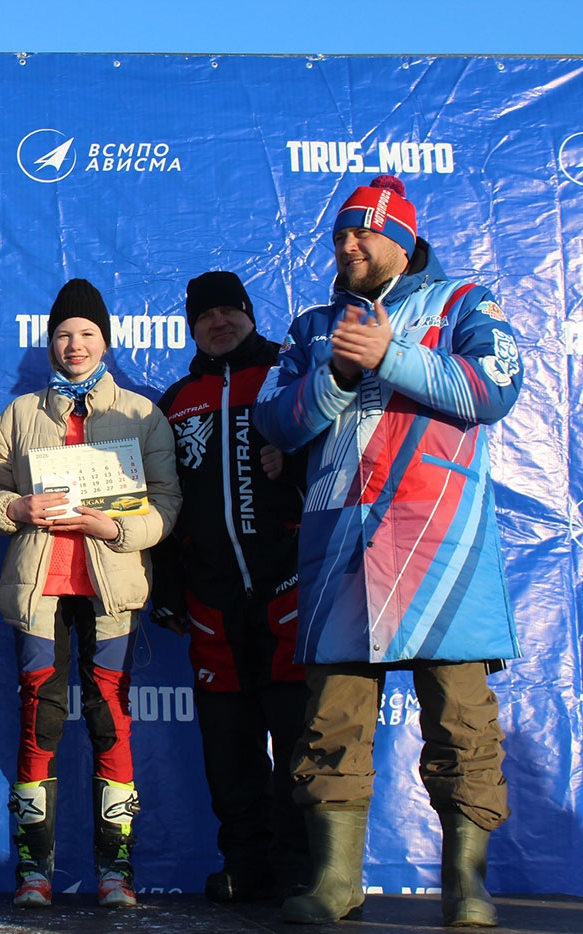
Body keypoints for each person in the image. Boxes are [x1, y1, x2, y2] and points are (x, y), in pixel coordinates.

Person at [254, 175, 523, 927]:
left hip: (442, 545)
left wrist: (390, 355)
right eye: (340, 237)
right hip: (340, 544)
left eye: (362, 236)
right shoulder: (314, 326)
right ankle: (337, 880)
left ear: (400, 241)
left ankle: (467, 883)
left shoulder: (464, 303)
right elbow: (275, 423)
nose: (347, 248)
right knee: (331, 722)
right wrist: (338, 372)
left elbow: (495, 388)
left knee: (461, 720)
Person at [0, 278, 180, 909]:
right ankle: (33, 872)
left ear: (106, 342)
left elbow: (167, 506)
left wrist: (115, 527)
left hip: (111, 591)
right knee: (40, 719)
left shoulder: (142, 414)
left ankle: (115, 872)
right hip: (40, 589)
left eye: (87, 333)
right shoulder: (19, 415)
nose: (74, 344)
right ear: (48, 342)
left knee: (109, 721)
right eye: (63, 333)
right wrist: (18, 508)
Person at [151, 271, 310, 903]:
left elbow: (341, 451)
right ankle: (244, 862)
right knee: (229, 747)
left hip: (290, 586)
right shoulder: (178, 398)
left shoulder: (288, 373)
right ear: (191, 327)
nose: (219, 322)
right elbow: (161, 500)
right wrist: (167, 584)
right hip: (212, 598)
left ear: (249, 314)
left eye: (230, 311)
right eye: (205, 315)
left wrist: (291, 460)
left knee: (300, 738)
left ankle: (301, 865)